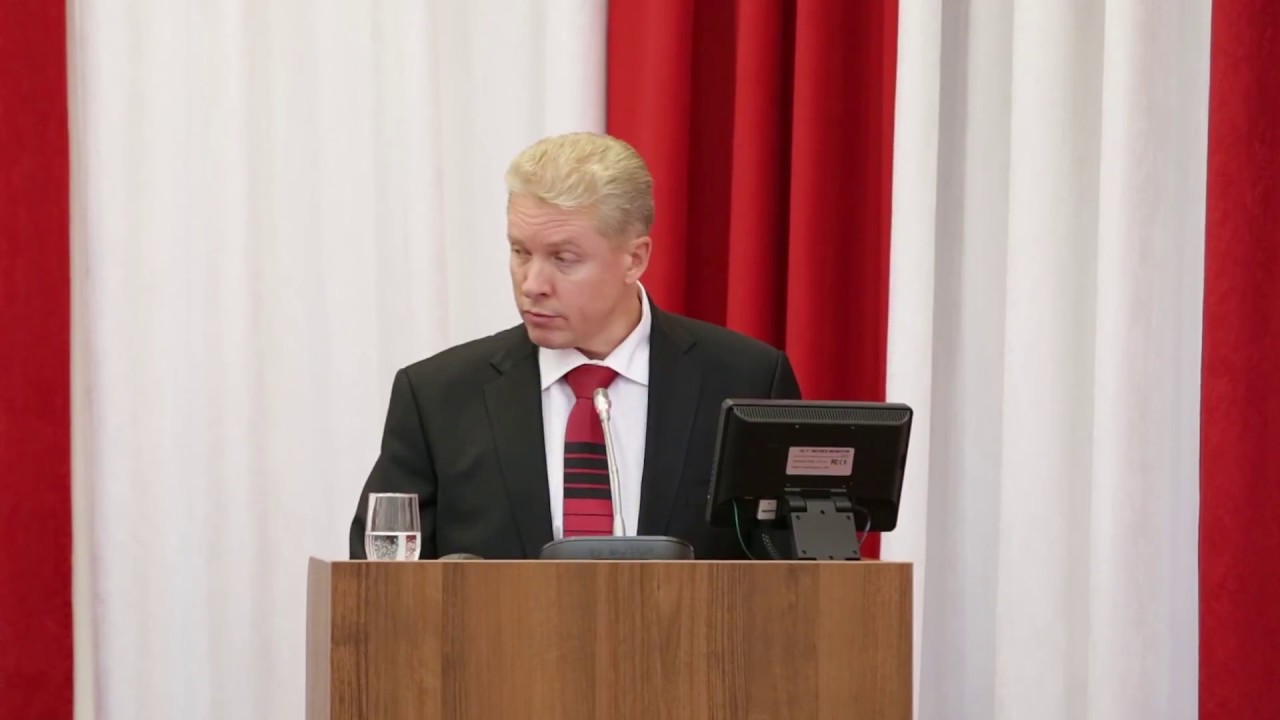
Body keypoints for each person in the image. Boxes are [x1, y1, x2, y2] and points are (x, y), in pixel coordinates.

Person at [348, 132, 801, 560]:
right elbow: (380, 579)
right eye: (520, 252)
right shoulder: (437, 397)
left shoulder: (746, 381)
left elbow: (793, 570)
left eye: (563, 259)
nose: (532, 284)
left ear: (634, 259)